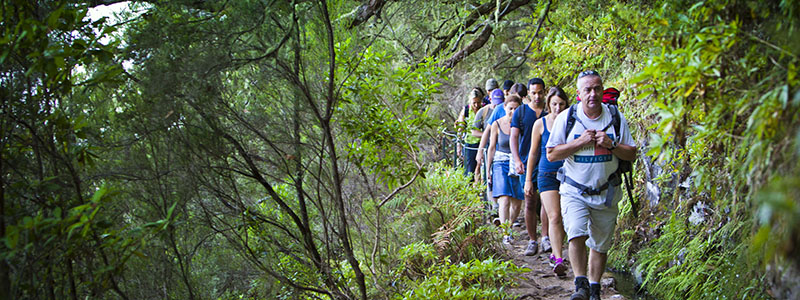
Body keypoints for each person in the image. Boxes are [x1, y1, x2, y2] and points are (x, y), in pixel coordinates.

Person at [546, 71, 636, 300]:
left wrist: (611, 144)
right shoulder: (566, 118)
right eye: (587, 89)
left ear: (603, 90)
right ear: (579, 94)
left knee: (600, 243)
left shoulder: (615, 117)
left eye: (597, 88)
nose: (593, 94)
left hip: (607, 191)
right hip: (574, 190)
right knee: (576, 233)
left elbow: (632, 153)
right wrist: (579, 142)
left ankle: (595, 287)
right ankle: (580, 285)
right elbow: (552, 154)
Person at [526, 86, 570, 277]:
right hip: (546, 175)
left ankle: (556, 249)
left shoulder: (571, 122)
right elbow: (533, 153)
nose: (558, 108)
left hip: (569, 175)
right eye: (554, 104)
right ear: (548, 104)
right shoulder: (540, 124)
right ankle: (558, 257)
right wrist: (529, 179)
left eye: (561, 104)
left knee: (566, 218)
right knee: (554, 216)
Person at [509, 78, 548, 256]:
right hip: (527, 162)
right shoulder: (521, 112)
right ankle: (533, 240)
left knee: (548, 201)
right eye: (534, 93)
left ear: (544, 92)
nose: (537, 96)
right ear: (528, 94)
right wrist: (517, 160)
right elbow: (514, 137)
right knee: (530, 201)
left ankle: (546, 237)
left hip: (548, 162)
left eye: (540, 92)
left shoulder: (550, 111)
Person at [487, 94, 525, 244]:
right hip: (500, 162)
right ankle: (505, 234)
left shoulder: (523, 125)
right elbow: (491, 147)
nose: (513, 112)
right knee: (504, 198)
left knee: (516, 202)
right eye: (510, 109)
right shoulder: (496, 124)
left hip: (517, 162)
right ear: (504, 108)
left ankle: (509, 225)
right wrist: (487, 167)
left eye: (516, 109)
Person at [456, 88, 485, 177]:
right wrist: (459, 145)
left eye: (478, 102)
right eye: (474, 103)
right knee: (470, 169)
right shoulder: (466, 110)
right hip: (470, 143)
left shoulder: (484, 109)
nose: (476, 105)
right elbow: (460, 128)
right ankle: (470, 186)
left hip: (482, 142)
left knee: (482, 168)